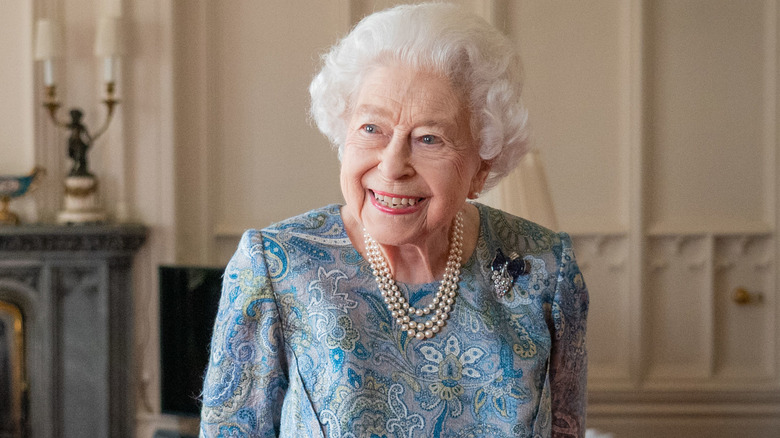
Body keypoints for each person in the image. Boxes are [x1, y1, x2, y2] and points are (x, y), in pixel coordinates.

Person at [200, 3, 588, 437]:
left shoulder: (544, 270)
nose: (392, 165)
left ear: (482, 165)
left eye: (429, 138)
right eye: (371, 128)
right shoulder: (275, 269)